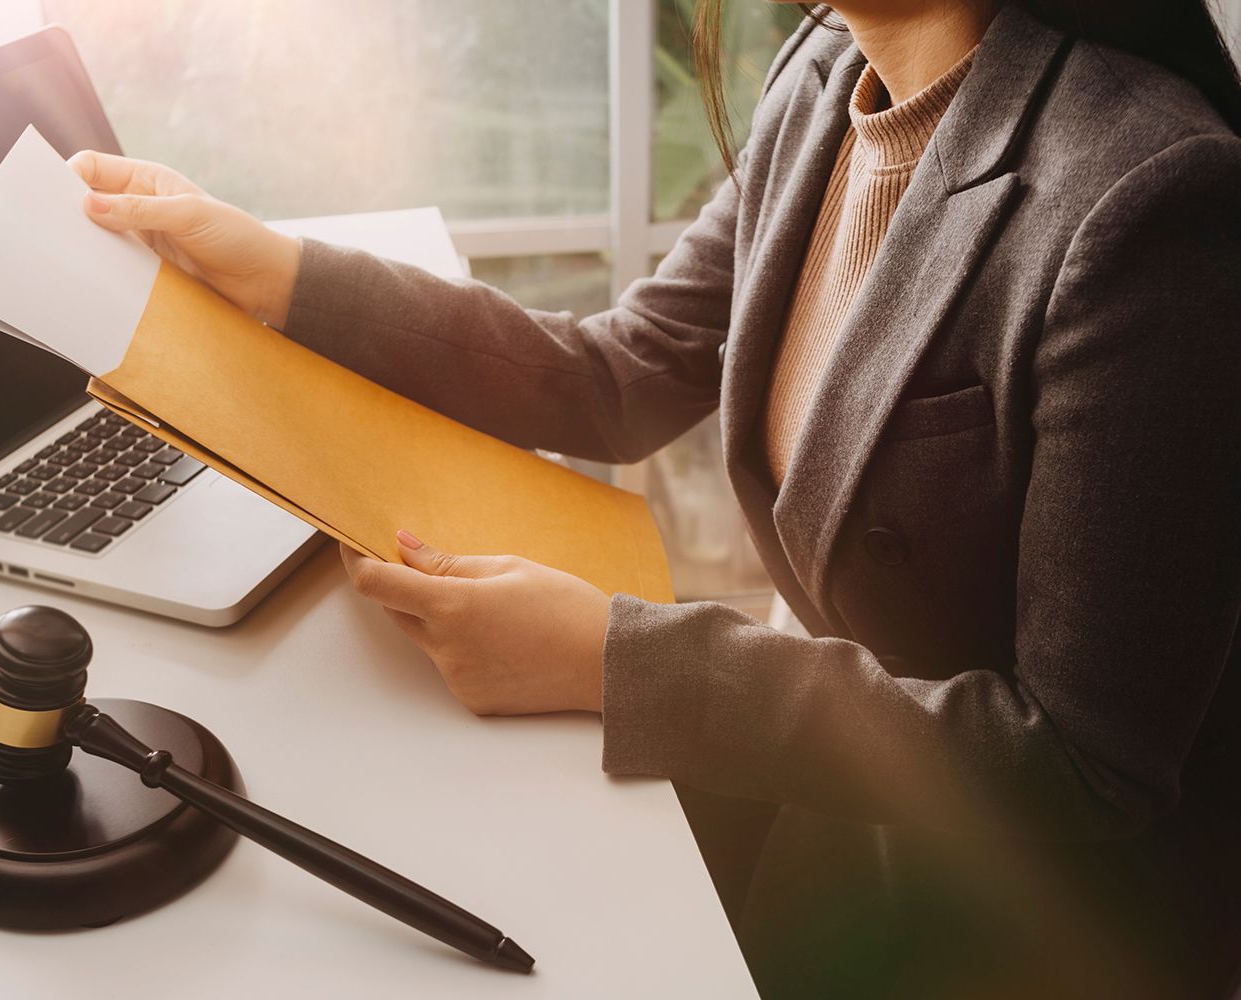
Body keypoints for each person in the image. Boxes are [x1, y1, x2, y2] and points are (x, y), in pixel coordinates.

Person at [69, 1, 1241, 995]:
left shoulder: (1149, 198)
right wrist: (280, 274)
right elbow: (621, 371)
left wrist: (613, 658)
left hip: (1021, 924)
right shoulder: (830, 65)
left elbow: (1086, 763)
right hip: (832, 790)